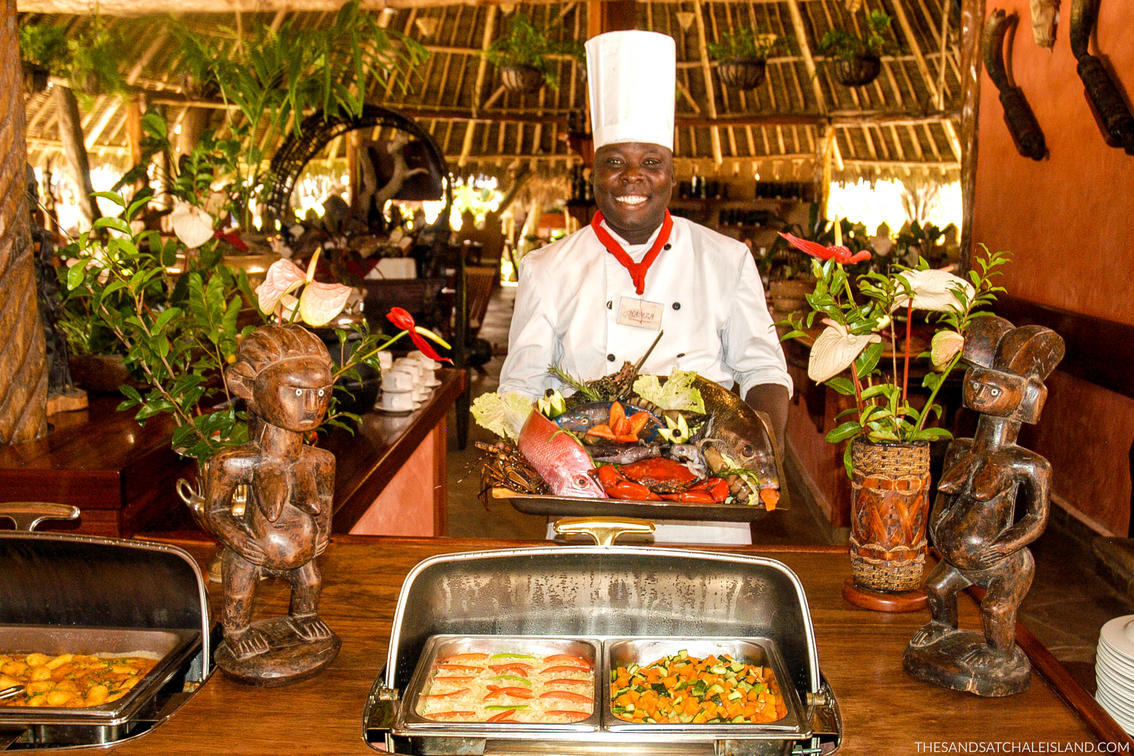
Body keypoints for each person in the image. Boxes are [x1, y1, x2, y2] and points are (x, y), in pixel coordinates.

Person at [498, 31, 792, 544]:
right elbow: (519, 391)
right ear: (593, 173)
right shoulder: (546, 267)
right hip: (585, 500)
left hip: (710, 505)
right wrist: (556, 471)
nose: (632, 176)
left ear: (672, 174)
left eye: (651, 162)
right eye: (615, 161)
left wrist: (759, 451)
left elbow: (764, 368)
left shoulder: (727, 259)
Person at [202, 324, 337, 662]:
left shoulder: (321, 460)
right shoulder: (235, 463)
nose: (311, 406)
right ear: (247, 387)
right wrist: (238, 540)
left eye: (321, 393)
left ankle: (304, 616)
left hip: (303, 554)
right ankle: (236, 629)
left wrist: (323, 532)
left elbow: (325, 503)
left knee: (310, 581)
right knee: (239, 585)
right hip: (253, 551)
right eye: (295, 392)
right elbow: (215, 511)